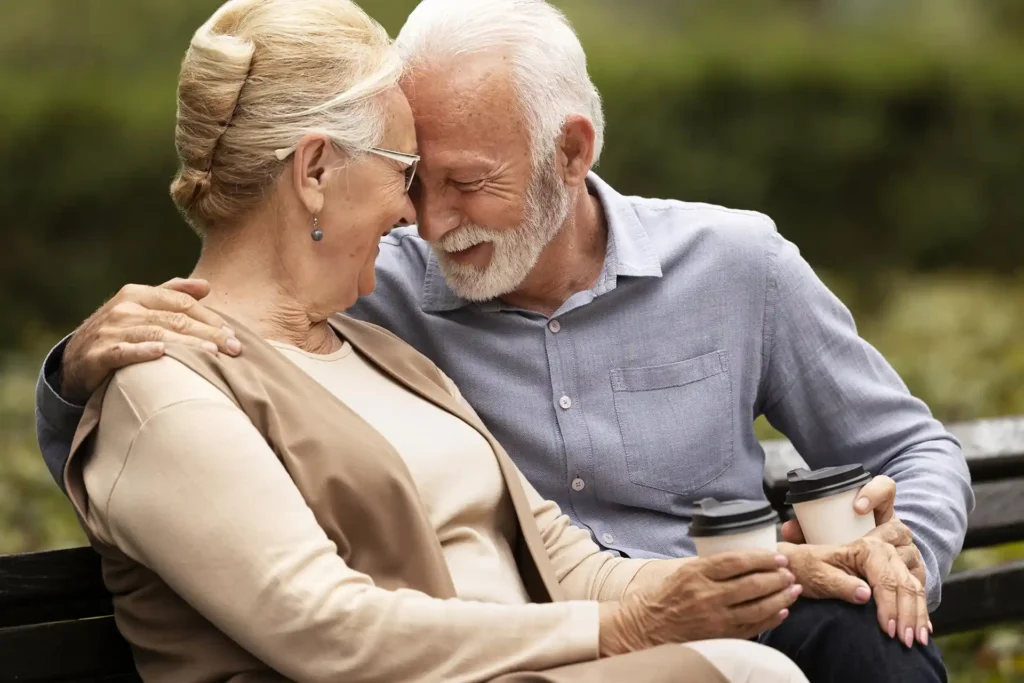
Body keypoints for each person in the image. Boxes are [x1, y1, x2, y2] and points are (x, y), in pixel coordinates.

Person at [34, 0, 969, 681]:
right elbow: (188, 399)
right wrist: (74, 377)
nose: (424, 219)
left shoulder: (732, 263)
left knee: (864, 638)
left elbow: (909, 451)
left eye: (465, 182)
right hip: (553, 643)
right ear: (319, 168)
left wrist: (874, 564)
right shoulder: (370, 302)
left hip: (666, 612)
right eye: (409, 174)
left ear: (573, 151)